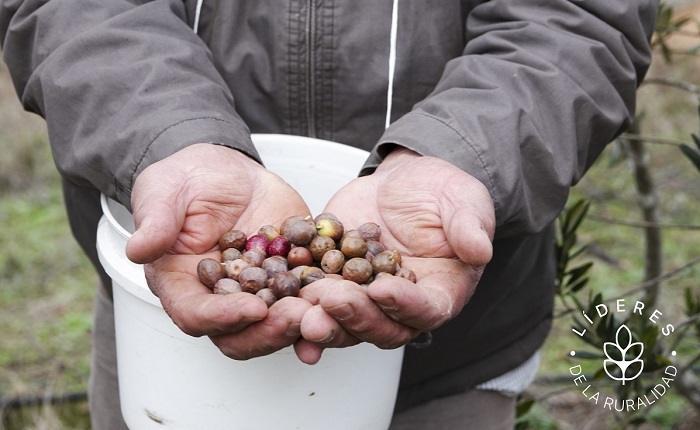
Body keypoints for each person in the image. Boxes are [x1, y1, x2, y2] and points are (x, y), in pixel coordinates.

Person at [0, 0, 658, 428]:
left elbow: (576, 19)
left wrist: (463, 155)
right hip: (167, 339)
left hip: (450, 354)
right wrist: (167, 136)